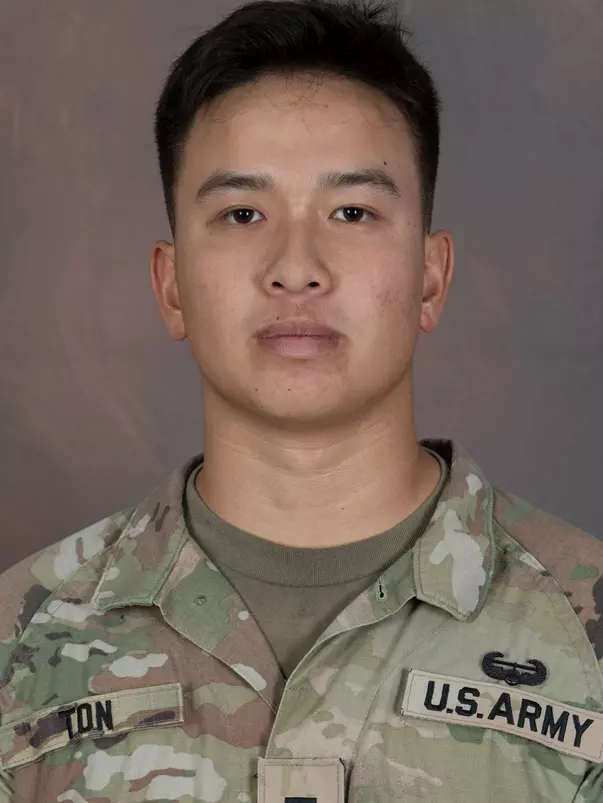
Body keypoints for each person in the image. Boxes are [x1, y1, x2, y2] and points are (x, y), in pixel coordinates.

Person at [1, 0, 602, 800]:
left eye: (352, 211)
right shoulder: (19, 640)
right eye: (241, 213)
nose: (295, 266)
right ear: (170, 284)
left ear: (430, 276)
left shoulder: (585, 629)